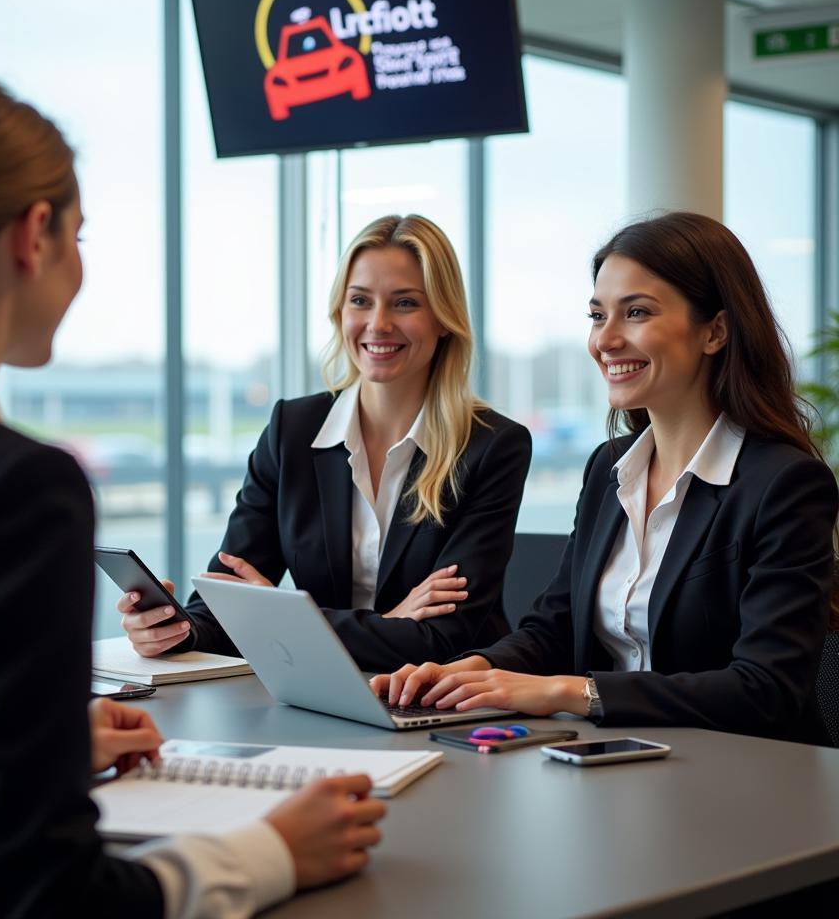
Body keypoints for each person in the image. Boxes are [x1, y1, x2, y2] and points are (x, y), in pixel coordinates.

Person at [0, 76, 384, 918]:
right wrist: (270, 851)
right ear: (34, 235)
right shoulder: (13, 490)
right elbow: (46, 899)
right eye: (79, 235)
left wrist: (31, 754)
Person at [371, 212, 839, 744]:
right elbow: (553, 627)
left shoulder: (784, 484)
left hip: (747, 778)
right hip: (619, 765)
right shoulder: (607, 468)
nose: (606, 340)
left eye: (635, 313)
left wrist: (570, 692)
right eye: (598, 316)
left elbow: (766, 689)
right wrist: (466, 670)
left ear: (716, 331)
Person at [119, 214, 532, 672]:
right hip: (321, 694)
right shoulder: (291, 430)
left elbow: (439, 639)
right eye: (361, 301)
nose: (378, 324)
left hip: (445, 699)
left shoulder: (492, 446)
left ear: (443, 319)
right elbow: (226, 599)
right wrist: (172, 630)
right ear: (340, 312)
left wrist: (286, 616)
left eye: (405, 303)